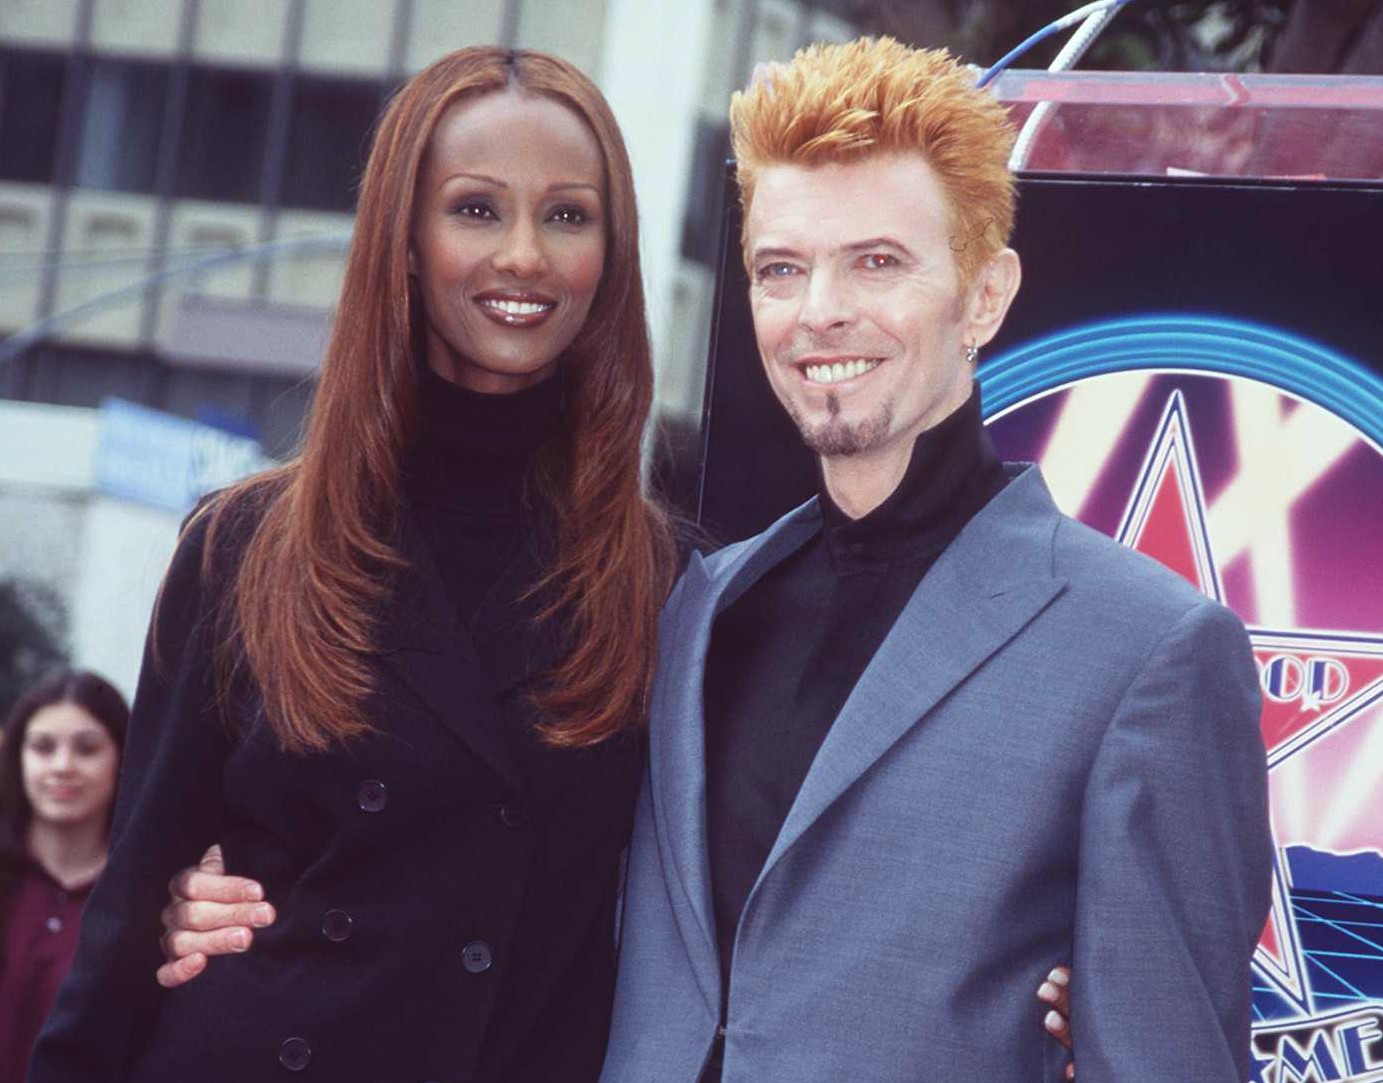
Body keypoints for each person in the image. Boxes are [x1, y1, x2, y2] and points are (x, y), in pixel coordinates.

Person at [592, 38, 1271, 1082]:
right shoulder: (696, 610)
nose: (820, 310)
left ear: (985, 298)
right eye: (782, 268)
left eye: (877, 261)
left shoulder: (1150, 652)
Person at [29, 46, 675, 1083]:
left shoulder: (666, 580)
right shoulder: (244, 548)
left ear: (612, 251)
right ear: (404, 242)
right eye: (475, 209)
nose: (525, 255)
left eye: (567, 215)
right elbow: (125, 918)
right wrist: (165, 915)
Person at [0, 670, 127, 1083]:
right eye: (42, 747)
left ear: (122, 758)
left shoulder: (143, 899)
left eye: (87, 749)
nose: (62, 766)